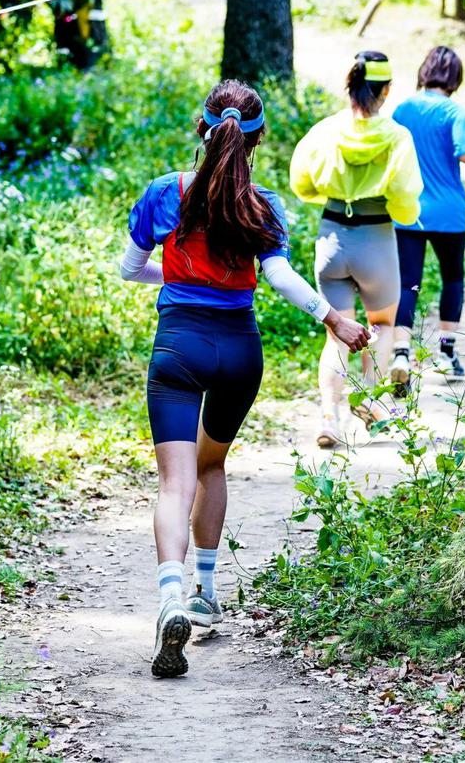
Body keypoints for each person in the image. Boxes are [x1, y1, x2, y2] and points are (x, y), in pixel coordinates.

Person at [120, 80, 369, 678]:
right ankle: (205, 593)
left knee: (175, 482)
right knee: (212, 466)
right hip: (239, 351)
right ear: (256, 140)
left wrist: (181, 275)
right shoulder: (263, 204)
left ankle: (170, 596)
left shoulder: (166, 192)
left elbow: (130, 269)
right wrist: (334, 319)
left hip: (178, 347)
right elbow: (279, 276)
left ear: (201, 129)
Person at [290, 52, 422, 448]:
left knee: (336, 335)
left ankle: (328, 420)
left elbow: (302, 183)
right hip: (375, 237)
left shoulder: (325, 131)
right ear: (386, 90)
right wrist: (403, 213)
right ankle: (368, 399)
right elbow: (405, 198)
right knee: (381, 325)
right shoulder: (396, 136)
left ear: (349, 85)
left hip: (331, 237)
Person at [389, 46, 465, 386]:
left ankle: (400, 352)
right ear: (455, 78)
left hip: (409, 210)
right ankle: (446, 353)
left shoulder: (403, 109)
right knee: (452, 278)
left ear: (424, 72)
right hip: (449, 212)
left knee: (407, 282)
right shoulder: (455, 112)